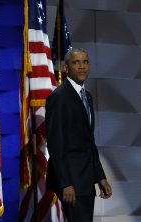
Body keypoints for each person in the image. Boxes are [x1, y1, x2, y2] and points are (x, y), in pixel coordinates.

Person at [45, 48, 112, 222]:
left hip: (86, 179)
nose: (82, 67)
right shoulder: (59, 97)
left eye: (85, 62)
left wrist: (100, 177)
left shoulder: (87, 96)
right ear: (66, 68)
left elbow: (89, 142)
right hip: (70, 181)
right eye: (76, 62)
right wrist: (65, 183)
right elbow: (55, 143)